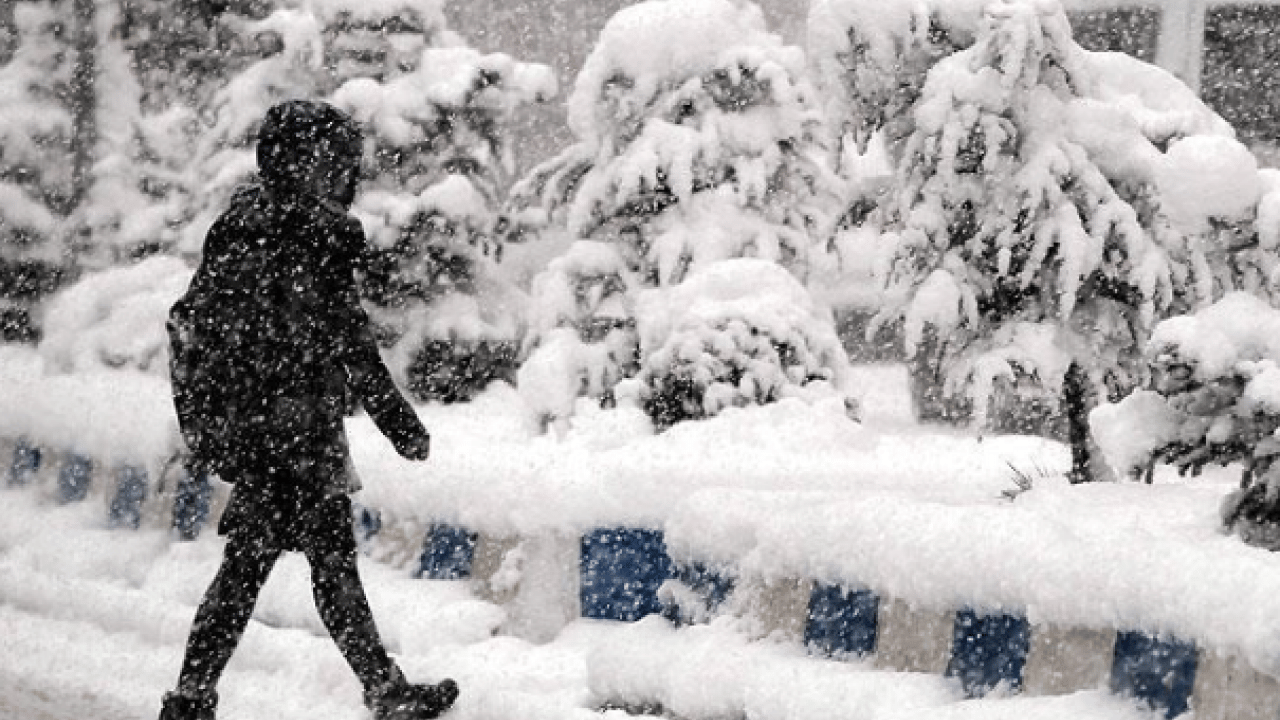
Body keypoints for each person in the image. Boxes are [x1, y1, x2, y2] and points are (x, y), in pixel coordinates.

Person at [159, 100, 459, 720]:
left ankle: (195, 697)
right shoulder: (289, 233)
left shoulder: (272, 230)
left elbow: (338, 334)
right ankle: (378, 691)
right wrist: (396, 422)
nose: (341, 175)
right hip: (285, 433)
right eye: (330, 161)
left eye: (343, 163)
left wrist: (209, 425)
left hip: (281, 429)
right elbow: (338, 338)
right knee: (297, 567)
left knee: (278, 566)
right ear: (293, 162)